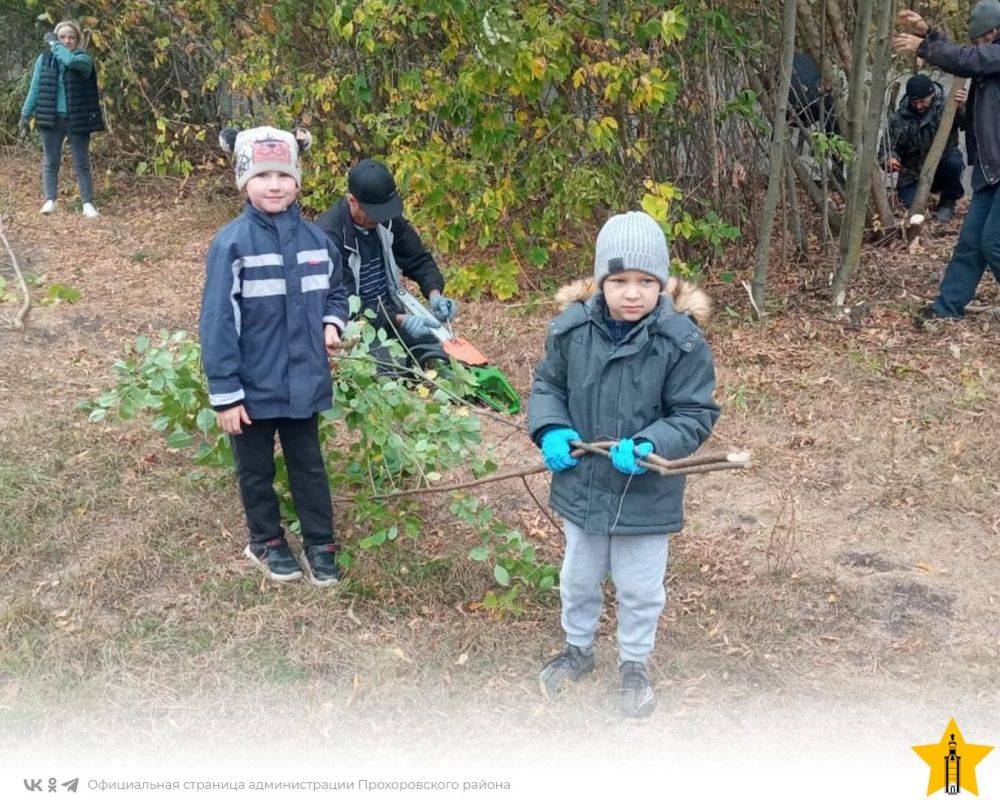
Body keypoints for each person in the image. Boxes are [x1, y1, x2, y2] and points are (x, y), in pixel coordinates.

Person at [526, 211, 720, 718]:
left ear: (661, 283)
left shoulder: (681, 342)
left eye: (645, 282)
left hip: (645, 492)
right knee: (579, 577)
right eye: (619, 281)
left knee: (639, 586)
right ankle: (578, 649)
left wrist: (651, 443)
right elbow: (548, 387)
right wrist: (551, 429)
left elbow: (693, 414)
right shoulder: (571, 331)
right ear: (600, 282)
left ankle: (633, 662)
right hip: (583, 483)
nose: (631, 293)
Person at [199, 125, 349, 586]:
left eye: (283, 175)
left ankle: (320, 542)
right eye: (262, 175)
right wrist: (226, 395)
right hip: (252, 386)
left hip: (304, 382)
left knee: (309, 464)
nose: (274, 185)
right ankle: (265, 539)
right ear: (244, 181)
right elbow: (218, 321)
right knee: (256, 469)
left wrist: (332, 322)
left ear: (298, 181)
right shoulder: (232, 244)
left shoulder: (317, 242)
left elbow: (337, 291)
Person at [894, 2, 1000, 321]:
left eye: (981, 39)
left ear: (995, 32)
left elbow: (969, 59)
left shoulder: (993, 56)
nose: (977, 46)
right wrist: (930, 32)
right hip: (990, 171)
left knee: (993, 243)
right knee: (970, 244)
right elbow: (968, 56)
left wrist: (925, 46)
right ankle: (946, 309)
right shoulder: (988, 57)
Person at [314, 159, 459, 370]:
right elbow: (346, 303)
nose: (380, 219)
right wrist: (401, 319)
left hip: (389, 311)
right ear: (352, 200)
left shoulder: (387, 219)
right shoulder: (329, 236)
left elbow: (418, 259)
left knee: (436, 355)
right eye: (375, 213)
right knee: (390, 371)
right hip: (353, 324)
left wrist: (435, 294)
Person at [18, 19, 104, 218]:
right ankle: (50, 200)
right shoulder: (45, 59)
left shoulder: (84, 59)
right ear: (57, 38)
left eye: (71, 37)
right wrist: (25, 114)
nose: (67, 41)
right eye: (62, 37)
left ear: (78, 40)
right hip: (51, 117)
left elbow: (70, 61)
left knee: (81, 162)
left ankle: (87, 204)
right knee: (51, 160)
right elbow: (35, 87)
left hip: (78, 118)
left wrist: (53, 44)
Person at [885, 73, 966, 222]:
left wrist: (961, 107)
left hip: (940, 168)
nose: (918, 106)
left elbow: (968, 124)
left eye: (922, 101)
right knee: (912, 207)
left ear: (932, 94)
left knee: (954, 162)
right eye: (914, 102)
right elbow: (887, 149)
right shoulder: (898, 118)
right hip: (912, 173)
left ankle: (947, 203)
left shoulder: (947, 107)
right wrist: (890, 159)